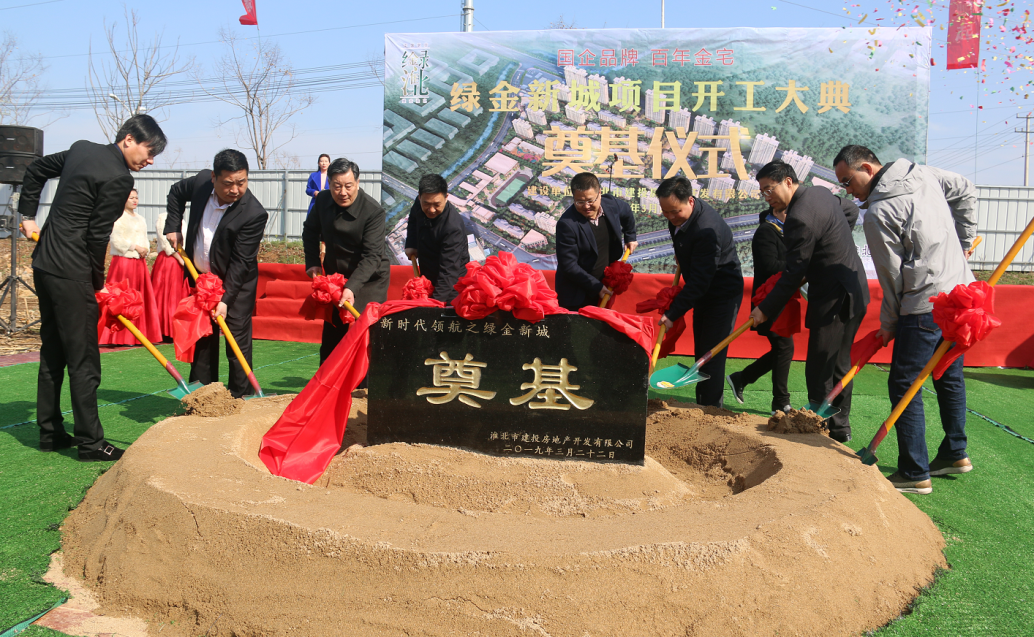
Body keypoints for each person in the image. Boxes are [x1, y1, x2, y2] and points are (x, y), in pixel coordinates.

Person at [18, 114, 167, 461]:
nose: (150, 160)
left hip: (44, 264)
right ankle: (91, 443)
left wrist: (27, 216)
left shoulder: (81, 148)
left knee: (53, 351)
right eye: (149, 151)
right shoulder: (119, 178)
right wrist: (98, 284)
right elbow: (97, 235)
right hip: (71, 272)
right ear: (128, 139)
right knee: (84, 359)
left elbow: (36, 170)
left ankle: (50, 432)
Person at [834, 145, 977, 494]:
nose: (848, 191)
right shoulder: (923, 173)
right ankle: (955, 453)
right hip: (961, 295)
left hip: (925, 304)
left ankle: (915, 471)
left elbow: (891, 278)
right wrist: (965, 242)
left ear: (867, 168)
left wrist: (889, 323)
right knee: (947, 373)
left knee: (903, 384)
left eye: (848, 181)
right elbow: (967, 189)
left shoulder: (878, 213)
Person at [749, 160, 869, 443]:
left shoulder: (798, 219)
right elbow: (850, 210)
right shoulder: (820, 193)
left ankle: (820, 430)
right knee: (839, 363)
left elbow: (794, 273)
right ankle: (839, 428)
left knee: (820, 366)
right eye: (763, 191)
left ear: (788, 181)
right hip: (855, 288)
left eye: (770, 189)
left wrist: (765, 309)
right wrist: (832, 242)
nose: (767, 196)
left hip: (834, 299)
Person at [729, 181, 861, 414]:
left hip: (785, 300)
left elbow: (850, 210)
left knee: (783, 349)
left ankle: (743, 378)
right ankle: (779, 401)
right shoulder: (766, 232)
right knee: (784, 348)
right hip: (769, 298)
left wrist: (809, 255)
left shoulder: (797, 228)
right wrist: (803, 262)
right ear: (779, 211)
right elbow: (771, 266)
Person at [164, 149, 268, 399]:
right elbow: (176, 192)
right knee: (202, 336)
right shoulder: (201, 183)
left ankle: (240, 397)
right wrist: (173, 226)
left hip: (236, 284)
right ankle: (203, 395)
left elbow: (241, 263)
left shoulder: (254, 213)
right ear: (214, 177)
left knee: (236, 340)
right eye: (228, 183)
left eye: (241, 182)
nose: (235, 189)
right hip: (201, 279)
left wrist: (225, 300)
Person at [657, 176, 744, 408]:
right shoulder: (678, 218)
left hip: (722, 294)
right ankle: (702, 405)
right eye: (665, 212)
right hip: (703, 292)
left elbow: (699, 282)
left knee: (711, 355)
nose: (671, 217)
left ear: (690, 200)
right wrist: (683, 256)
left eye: (675, 211)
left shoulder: (706, 229)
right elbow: (682, 239)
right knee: (702, 352)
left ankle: (711, 411)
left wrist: (672, 314)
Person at [302, 158, 390, 364]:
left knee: (366, 333)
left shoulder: (373, 211)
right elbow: (310, 231)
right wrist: (312, 261)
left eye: (348, 186)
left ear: (357, 183)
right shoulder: (323, 200)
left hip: (369, 278)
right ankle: (328, 379)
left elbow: (372, 256)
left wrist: (351, 287)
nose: (343, 192)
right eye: (337, 186)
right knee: (333, 334)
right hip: (336, 276)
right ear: (329, 184)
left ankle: (367, 381)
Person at [555, 172, 637, 310]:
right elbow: (569, 265)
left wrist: (630, 236)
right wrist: (596, 287)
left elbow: (626, 211)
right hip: (578, 292)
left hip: (604, 284)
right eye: (580, 202)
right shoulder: (567, 224)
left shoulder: (610, 204)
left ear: (599, 193)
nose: (586, 206)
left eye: (590, 200)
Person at [99, 188, 163, 345]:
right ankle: (118, 336)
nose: (134, 200)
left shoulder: (141, 219)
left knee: (139, 297)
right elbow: (116, 240)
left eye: (136, 198)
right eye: (131, 198)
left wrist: (145, 249)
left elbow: (144, 237)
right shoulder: (118, 217)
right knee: (122, 297)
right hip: (124, 262)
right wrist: (135, 247)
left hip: (139, 262)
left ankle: (140, 334)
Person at [404, 173, 469, 304]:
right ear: (419, 197)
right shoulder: (420, 202)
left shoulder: (452, 228)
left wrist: (433, 303)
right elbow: (413, 220)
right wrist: (411, 243)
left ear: (446, 197)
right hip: (427, 271)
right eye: (426, 204)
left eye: (437, 204)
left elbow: (449, 271)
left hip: (450, 284)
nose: (431, 209)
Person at [152, 209, 190, 341]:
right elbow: (165, 242)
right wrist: (180, 259)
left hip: (182, 260)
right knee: (166, 295)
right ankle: (163, 330)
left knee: (179, 295)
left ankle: (178, 329)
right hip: (169, 260)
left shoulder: (183, 220)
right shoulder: (163, 218)